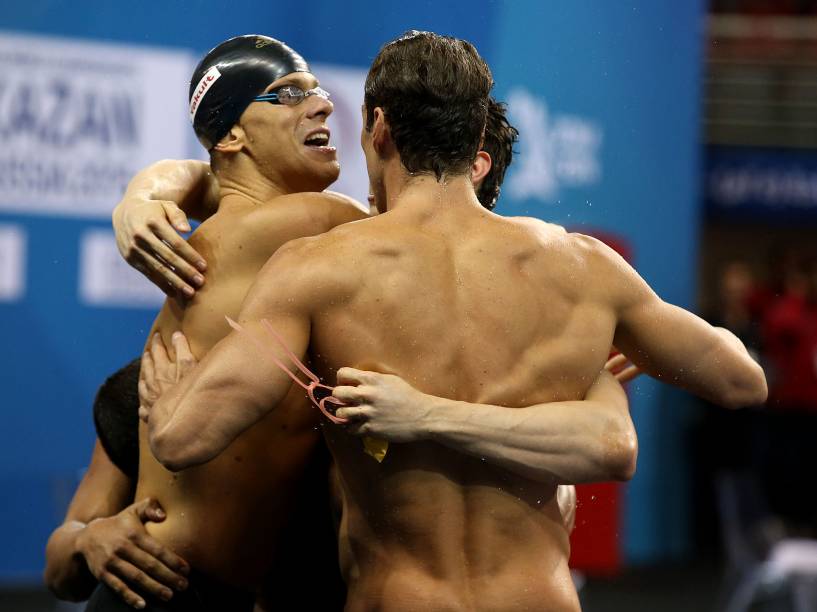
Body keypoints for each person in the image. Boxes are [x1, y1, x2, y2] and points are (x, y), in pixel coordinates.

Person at [140, 31, 766, 611]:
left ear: (379, 127)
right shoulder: (582, 267)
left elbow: (184, 440)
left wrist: (166, 403)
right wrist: (615, 361)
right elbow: (743, 381)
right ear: (477, 143)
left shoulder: (315, 269)